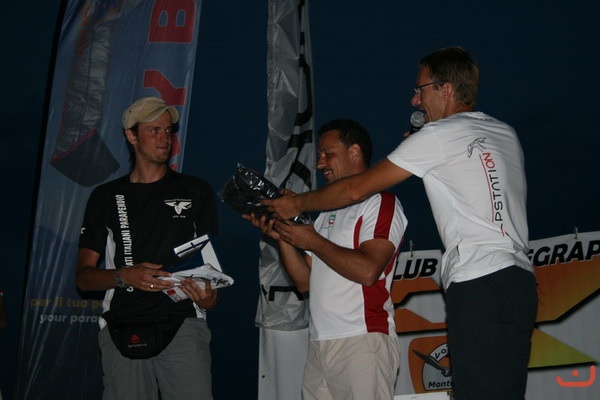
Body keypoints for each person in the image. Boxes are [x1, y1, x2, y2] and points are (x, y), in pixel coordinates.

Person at [264, 47, 538, 400]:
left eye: (420, 89)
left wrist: (296, 203)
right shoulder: (503, 132)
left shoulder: (438, 136)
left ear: (446, 89)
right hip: (517, 280)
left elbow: (355, 189)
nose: (414, 100)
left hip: (478, 279)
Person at [245, 119, 407, 400]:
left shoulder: (380, 202)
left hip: (362, 340)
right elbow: (305, 282)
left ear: (354, 152)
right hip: (319, 344)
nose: (320, 163)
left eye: (327, 154)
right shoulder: (324, 214)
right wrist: (283, 237)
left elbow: (368, 271)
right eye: (319, 155)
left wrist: (312, 241)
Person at [76, 97, 218, 400]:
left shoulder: (196, 191)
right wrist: (125, 276)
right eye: (154, 130)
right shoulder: (105, 196)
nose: (164, 138)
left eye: (168, 130)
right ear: (132, 136)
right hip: (122, 325)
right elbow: (84, 278)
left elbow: (209, 265)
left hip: (183, 323)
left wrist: (209, 297)